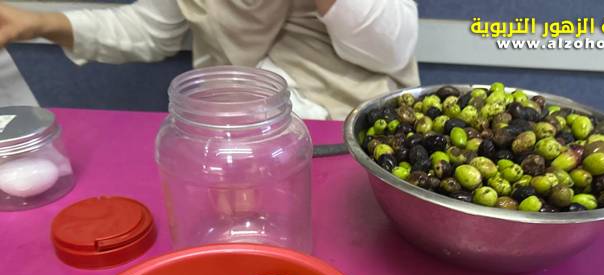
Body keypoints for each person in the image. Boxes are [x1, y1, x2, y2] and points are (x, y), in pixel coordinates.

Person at [0, 0, 419, 119]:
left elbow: (391, 50)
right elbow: (152, 29)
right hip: (225, 130)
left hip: (345, 129)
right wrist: (39, 23)